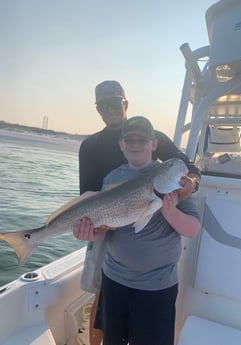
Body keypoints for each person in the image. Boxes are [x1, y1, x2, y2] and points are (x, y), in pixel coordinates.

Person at [75, 80, 201, 345]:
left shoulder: (153, 134)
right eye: (104, 106)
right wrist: (98, 225)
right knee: (99, 297)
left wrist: (190, 185)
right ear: (98, 110)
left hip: (153, 262)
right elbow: (86, 193)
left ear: (125, 104)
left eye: (115, 104)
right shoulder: (90, 146)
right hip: (107, 222)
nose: (110, 110)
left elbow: (186, 168)